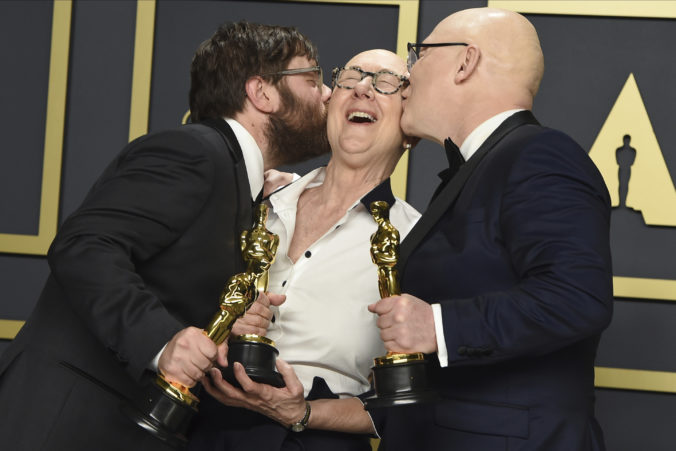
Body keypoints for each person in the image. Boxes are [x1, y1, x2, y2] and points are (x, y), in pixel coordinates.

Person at [0, 21, 331, 451]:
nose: (326, 94)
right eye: (312, 79)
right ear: (262, 93)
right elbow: (84, 245)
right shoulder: (193, 151)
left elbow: (175, 282)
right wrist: (161, 340)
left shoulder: (244, 187)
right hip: (65, 420)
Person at [367, 8, 613, 450]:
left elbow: (577, 297)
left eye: (418, 55)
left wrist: (438, 328)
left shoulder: (539, 155)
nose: (408, 74)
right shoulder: (479, 169)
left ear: (466, 63)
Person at [189, 49, 421, 451]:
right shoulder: (255, 200)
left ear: (411, 127)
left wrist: (303, 412)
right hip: (204, 429)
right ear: (329, 103)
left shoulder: (415, 240)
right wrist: (225, 331)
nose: (363, 89)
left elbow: (408, 404)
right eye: (351, 77)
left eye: (386, 83)